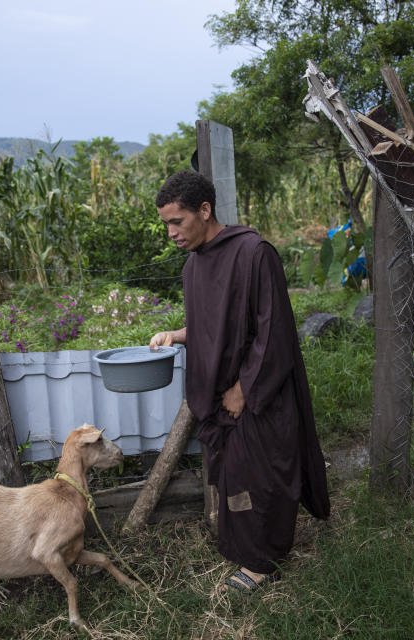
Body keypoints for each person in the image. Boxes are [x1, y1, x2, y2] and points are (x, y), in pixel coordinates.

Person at [149, 170, 330, 593]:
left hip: (256, 393)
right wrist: (176, 335)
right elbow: (211, 326)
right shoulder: (194, 267)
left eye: (178, 222)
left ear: (205, 210)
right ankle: (243, 548)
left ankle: (262, 563)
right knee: (233, 474)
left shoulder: (254, 253)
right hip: (221, 396)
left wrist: (243, 389)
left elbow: (274, 331)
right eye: (167, 225)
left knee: (260, 473)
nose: (172, 233)